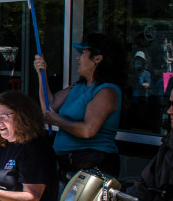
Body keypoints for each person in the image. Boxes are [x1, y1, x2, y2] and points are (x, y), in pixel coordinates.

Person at [34, 33, 125, 177]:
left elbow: (87, 131)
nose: (78, 57)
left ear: (97, 58)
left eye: (83, 53)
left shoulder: (106, 91)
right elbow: (49, 105)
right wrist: (41, 73)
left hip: (93, 165)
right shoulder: (78, 85)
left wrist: (56, 120)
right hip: (70, 163)